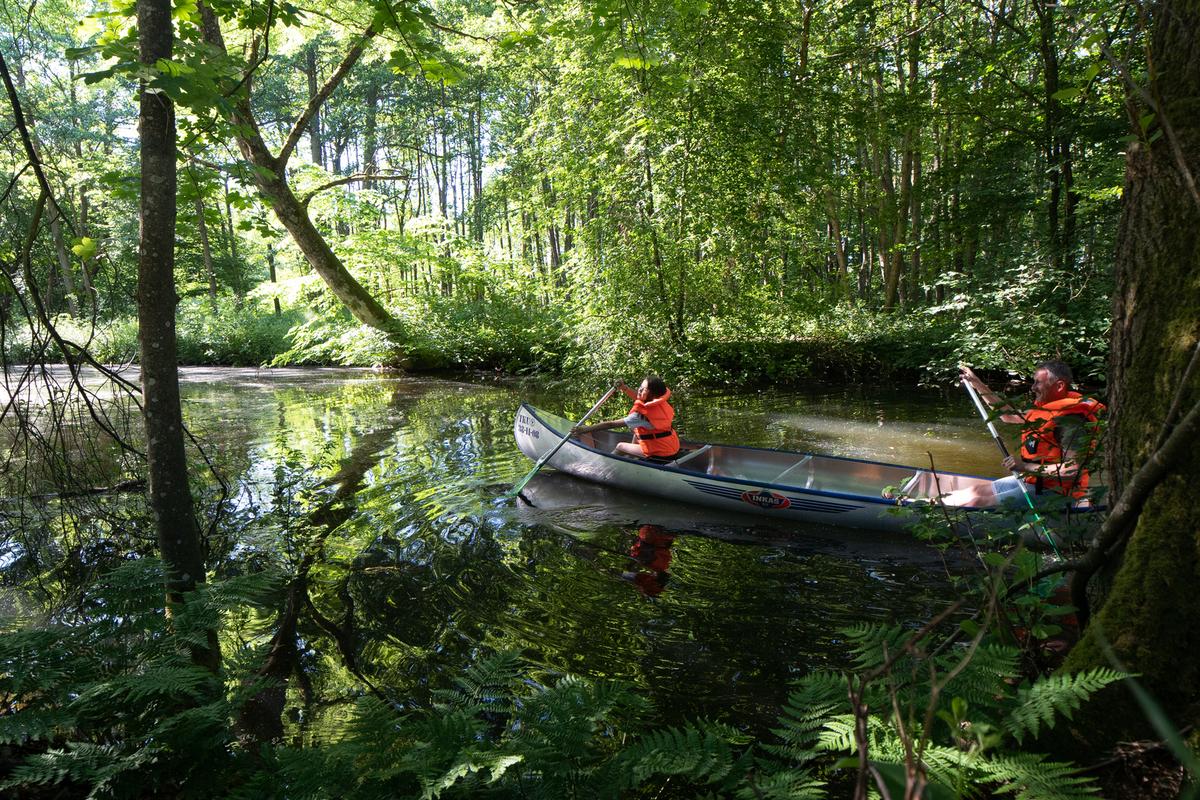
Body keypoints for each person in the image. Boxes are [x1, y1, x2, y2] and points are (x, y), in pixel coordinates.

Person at [948, 361, 1105, 507]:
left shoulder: (1072, 422)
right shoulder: (1045, 410)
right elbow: (1007, 416)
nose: (1033, 387)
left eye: (1038, 382)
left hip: (1056, 493)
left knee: (977, 502)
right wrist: (978, 384)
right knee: (970, 493)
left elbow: (1073, 469)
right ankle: (929, 505)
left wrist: (1025, 466)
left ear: (1059, 386)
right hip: (1035, 483)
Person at [570, 376, 681, 460]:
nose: (639, 389)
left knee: (620, 446)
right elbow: (638, 398)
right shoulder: (659, 402)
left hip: (660, 453)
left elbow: (611, 424)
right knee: (636, 430)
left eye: (643, 389)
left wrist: (584, 430)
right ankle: (633, 458)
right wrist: (624, 388)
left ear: (652, 393)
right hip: (671, 447)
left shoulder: (640, 416)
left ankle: (609, 464)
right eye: (640, 387)